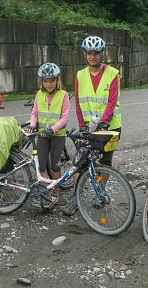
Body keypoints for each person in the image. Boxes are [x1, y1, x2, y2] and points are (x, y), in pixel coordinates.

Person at [62, 35, 121, 216]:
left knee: (105, 162)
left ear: (101, 54)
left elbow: (112, 101)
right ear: (85, 54)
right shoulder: (80, 75)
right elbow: (79, 102)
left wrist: (104, 122)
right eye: (89, 53)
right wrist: (82, 125)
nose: (92, 56)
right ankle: (75, 198)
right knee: (80, 161)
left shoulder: (112, 73)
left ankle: (100, 192)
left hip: (110, 125)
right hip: (87, 126)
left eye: (96, 53)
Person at [24, 62, 70, 209]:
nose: (49, 84)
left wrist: (53, 129)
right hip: (42, 135)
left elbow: (65, 118)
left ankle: (55, 193)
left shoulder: (63, 95)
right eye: (46, 81)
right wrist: (32, 124)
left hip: (57, 136)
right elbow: (35, 113)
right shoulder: (39, 94)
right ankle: (45, 192)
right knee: (41, 165)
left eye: (52, 80)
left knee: (55, 166)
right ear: (42, 82)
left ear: (57, 80)